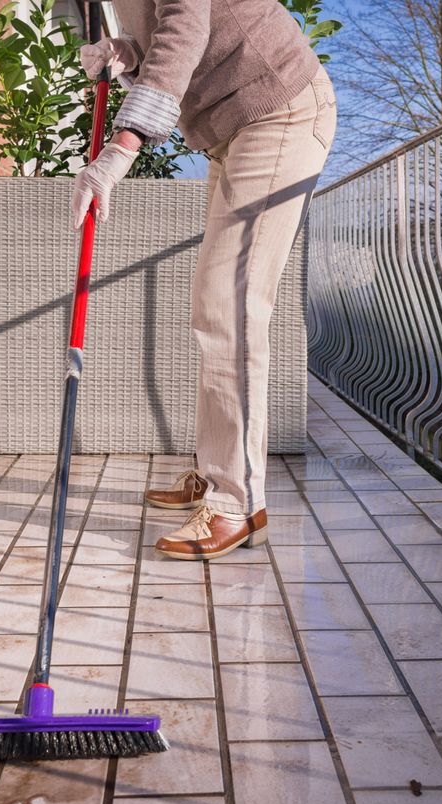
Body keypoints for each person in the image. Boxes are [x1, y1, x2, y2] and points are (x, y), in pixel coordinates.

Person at [72, 0, 336, 561]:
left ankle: (236, 501)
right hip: (230, 126)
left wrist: (123, 146)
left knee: (229, 303)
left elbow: (187, 24)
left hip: (277, 108)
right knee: (214, 302)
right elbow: (181, 32)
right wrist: (128, 54)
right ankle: (215, 469)